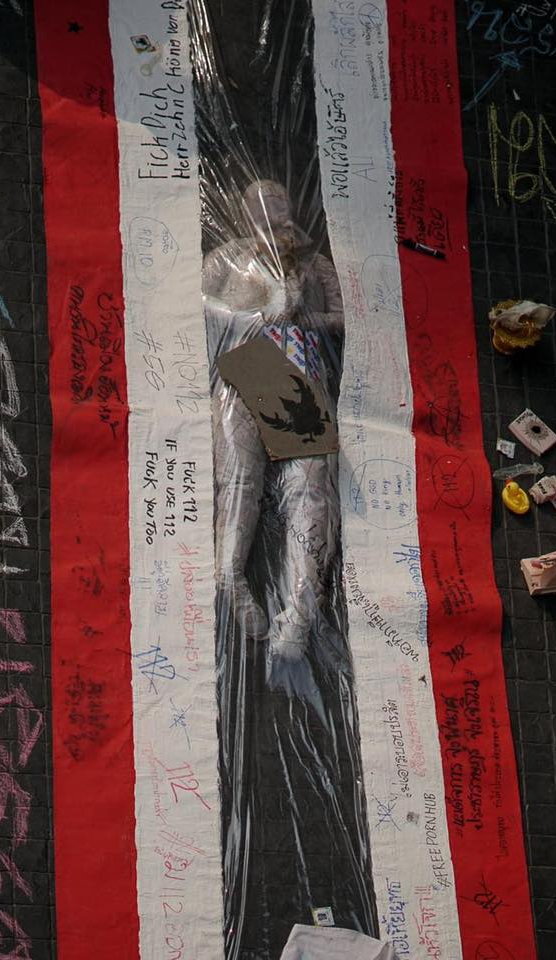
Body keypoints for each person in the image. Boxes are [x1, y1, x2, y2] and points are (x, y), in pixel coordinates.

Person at [205, 178, 345, 700]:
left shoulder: (315, 262)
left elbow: (341, 314)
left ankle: (298, 620)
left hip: (303, 377)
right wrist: (256, 314)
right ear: (244, 214)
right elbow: (200, 304)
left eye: (281, 201)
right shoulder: (227, 258)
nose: (274, 212)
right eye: (262, 206)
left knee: (311, 497)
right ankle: (230, 577)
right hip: (251, 370)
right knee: (239, 481)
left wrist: (307, 316)